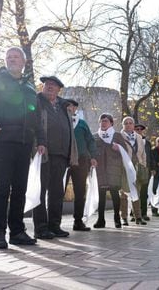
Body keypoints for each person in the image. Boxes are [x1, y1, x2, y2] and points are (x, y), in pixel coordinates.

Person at [0, 47, 46, 249]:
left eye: (16, 57)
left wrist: (40, 140)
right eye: (9, 57)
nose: (12, 60)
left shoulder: (29, 87)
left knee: (20, 189)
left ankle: (17, 231)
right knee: (2, 188)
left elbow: (36, 115)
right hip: (4, 141)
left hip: (25, 144)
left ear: (23, 61)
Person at [34, 75, 78, 239]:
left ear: (59, 89)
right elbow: (35, 124)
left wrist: (70, 153)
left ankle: (54, 225)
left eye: (53, 85)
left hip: (61, 154)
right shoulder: (37, 102)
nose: (49, 87)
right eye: (47, 84)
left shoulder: (63, 106)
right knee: (40, 190)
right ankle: (41, 228)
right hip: (43, 153)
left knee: (57, 192)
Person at [66, 99, 98, 231]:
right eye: (66, 106)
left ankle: (78, 221)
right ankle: (54, 223)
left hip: (81, 160)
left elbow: (90, 140)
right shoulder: (61, 122)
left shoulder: (82, 123)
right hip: (64, 160)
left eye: (72, 106)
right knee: (58, 190)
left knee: (80, 191)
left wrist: (93, 156)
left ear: (75, 109)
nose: (69, 108)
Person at [93, 113, 127, 229]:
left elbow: (125, 151)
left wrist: (119, 148)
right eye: (101, 121)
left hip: (113, 170)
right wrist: (92, 159)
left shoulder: (117, 136)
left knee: (115, 195)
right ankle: (100, 220)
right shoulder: (95, 136)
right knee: (101, 196)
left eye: (106, 121)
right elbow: (91, 151)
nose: (103, 123)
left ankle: (117, 219)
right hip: (100, 170)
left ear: (111, 123)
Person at [119, 117, 147, 225]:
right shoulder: (119, 137)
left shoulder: (139, 137)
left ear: (133, 125)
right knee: (123, 193)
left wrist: (143, 166)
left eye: (131, 123)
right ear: (123, 125)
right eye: (126, 123)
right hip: (124, 167)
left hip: (137, 168)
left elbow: (143, 154)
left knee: (137, 192)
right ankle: (124, 217)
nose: (128, 125)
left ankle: (138, 217)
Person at [134, 124, 151, 221]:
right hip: (134, 168)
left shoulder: (147, 143)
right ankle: (134, 213)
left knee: (144, 192)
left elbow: (150, 156)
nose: (139, 130)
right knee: (134, 192)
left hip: (145, 169)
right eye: (137, 129)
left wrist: (151, 168)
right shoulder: (132, 140)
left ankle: (144, 213)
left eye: (140, 129)